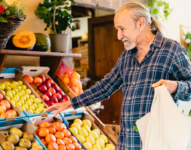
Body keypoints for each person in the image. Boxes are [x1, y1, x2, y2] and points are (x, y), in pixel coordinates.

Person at [45, 2, 191, 150]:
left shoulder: (172, 50)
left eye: (122, 29)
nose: (118, 36)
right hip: (127, 143)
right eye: (117, 29)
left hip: (158, 143)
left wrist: (176, 86)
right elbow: (104, 87)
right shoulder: (126, 57)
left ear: (140, 23)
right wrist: (70, 103)